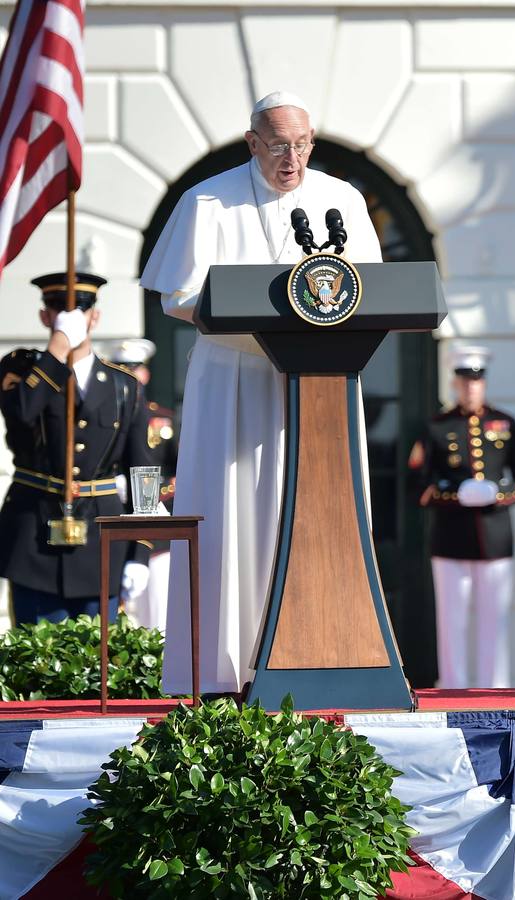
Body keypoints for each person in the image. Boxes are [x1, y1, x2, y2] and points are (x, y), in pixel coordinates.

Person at [139, 90, 382, 694]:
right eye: (278, 145)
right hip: (235, 380)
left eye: (301, 145)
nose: (291, 159)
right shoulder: (208, 200)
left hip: (320, 382)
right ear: (252, 142)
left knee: (316, 517)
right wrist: (251, 321)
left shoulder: (341, 201)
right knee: (232, 514)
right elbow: (178, 297)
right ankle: (226, 670)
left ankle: (327, 654)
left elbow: (376, 291)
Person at [0, 273, 151, 624]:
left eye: (80, 307)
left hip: (102, 544)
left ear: (94, 316)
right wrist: (57, 348)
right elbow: (22, 412)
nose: (69, 315)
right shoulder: (20, 370)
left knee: (100, 668)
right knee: (33, 665)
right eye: (58, 307)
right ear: (44, 316)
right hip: (33, 542)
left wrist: (140, 551)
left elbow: (142, 474)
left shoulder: (123, 386)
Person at [409, 347, 515, 689]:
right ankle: (452, 688)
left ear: (484, 384)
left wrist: (500, 494)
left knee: (494, 622)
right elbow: (418, 485)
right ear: (454, 383)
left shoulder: (506, 424)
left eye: (477, 381)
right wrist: (456, 494)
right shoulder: (437, 427)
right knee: (451, 622)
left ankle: (494, 689)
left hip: (495, 537)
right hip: (450, 538)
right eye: (465, 381)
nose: (471, 388)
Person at [94, 338, 177, 631]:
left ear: (146, 374)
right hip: (111, 519)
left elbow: (179, 474)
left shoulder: (163, 419)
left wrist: (151, 492)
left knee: (155, 621)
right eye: (123, 368)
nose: (131, 374)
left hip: (155, 532)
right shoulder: (101, 416)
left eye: (135, 368)